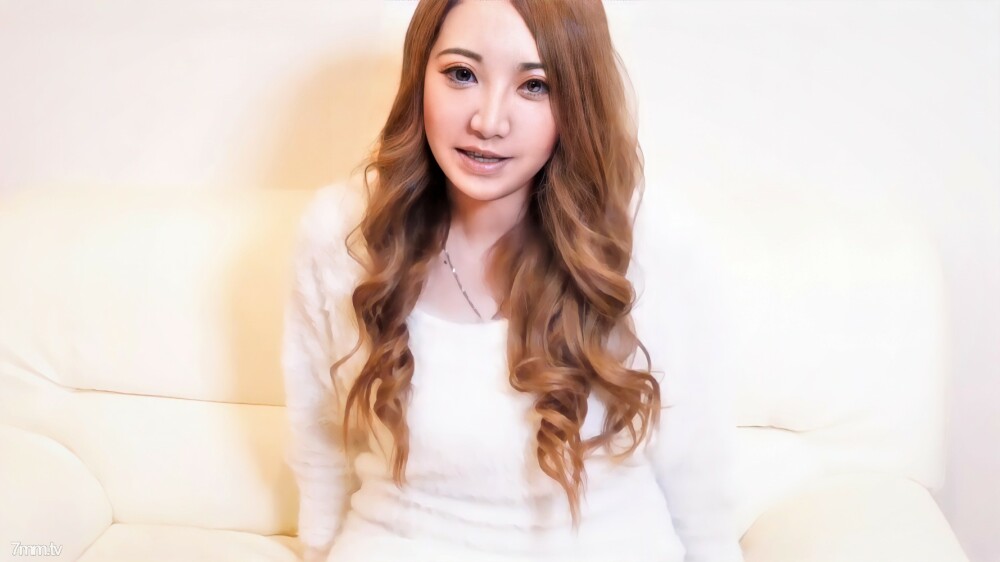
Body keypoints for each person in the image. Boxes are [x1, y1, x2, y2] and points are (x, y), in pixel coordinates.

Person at [281, 1, 744, 561]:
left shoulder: (650, 241)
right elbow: (319, 435)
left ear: (577, 100)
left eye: (535, 86)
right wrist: (317, 549)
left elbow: (697, 468)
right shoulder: (342, 233)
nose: (489, 121)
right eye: (461, 74)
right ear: (419, 74)